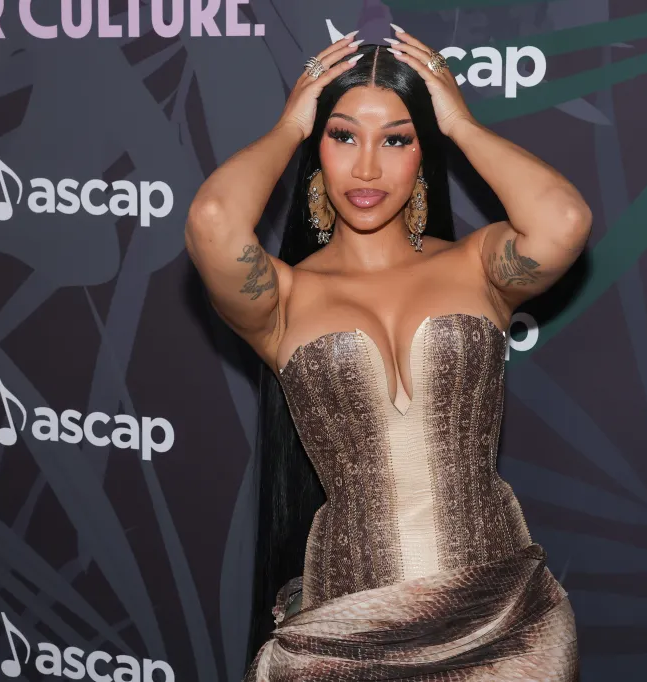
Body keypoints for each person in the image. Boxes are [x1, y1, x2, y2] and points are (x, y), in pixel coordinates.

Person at [185, 25, 592, 681]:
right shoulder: (284, 298)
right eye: (343, 136)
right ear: (318, 147)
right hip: (350, 638)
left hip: (504, 629)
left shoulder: (480, 266)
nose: (367, 167)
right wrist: (291, 126)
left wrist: (459, 124)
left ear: (422, 150)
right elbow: (212, 222)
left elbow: (564, 220)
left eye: (397, 139)